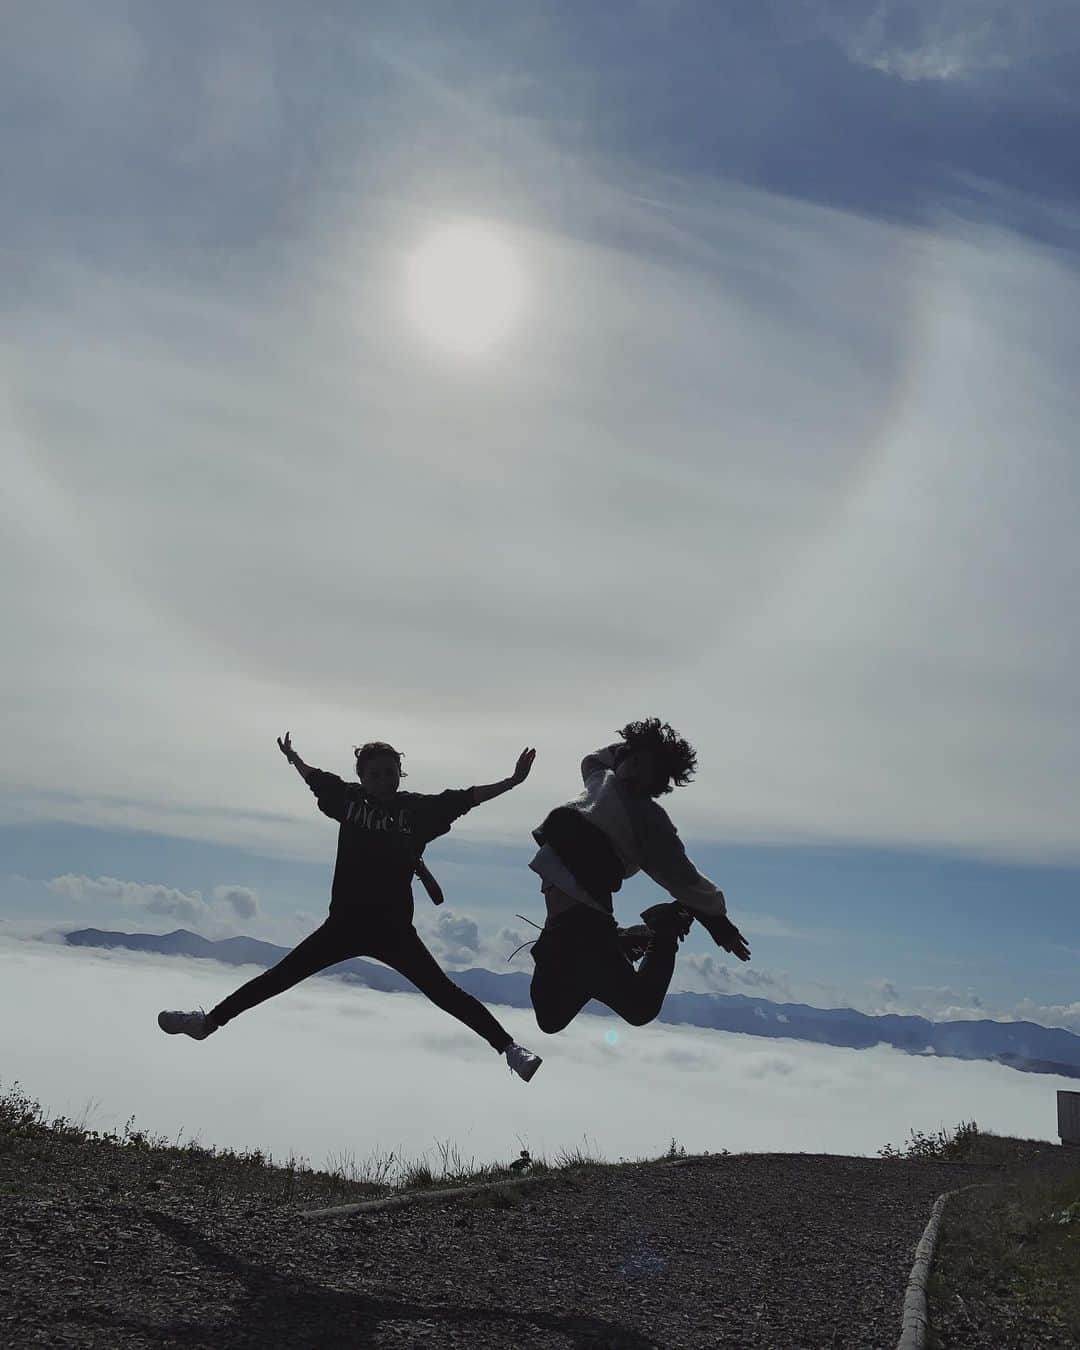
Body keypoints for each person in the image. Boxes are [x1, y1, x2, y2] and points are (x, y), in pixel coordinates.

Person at [159, 733, 543, 1082]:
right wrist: (294, 758)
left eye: (390, 773)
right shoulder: (349, 801)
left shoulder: (418, 811)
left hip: (393, 931)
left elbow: (466, 798)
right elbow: (315, 778)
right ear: (362, 777)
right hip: (343, 925)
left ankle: (510, 1050)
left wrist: (511, 782)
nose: (383, 780)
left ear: (400, 773)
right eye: (374, 774)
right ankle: (207, 1022)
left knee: (446, 993)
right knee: (279, 977)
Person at [527, 718, 750, 1036]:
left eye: (650, 772)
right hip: (566, 925)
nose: (636, 774)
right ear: (625, 756)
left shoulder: (647, 819)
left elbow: (685, 880)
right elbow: (594, 759)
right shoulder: (602, 779)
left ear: (658, 783)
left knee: (639, 1007)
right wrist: (626, 751)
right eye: (635, 761)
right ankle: (619, 944)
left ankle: (664, 930)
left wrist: (718, 923)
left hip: (582, 927)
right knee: (550, 1018)